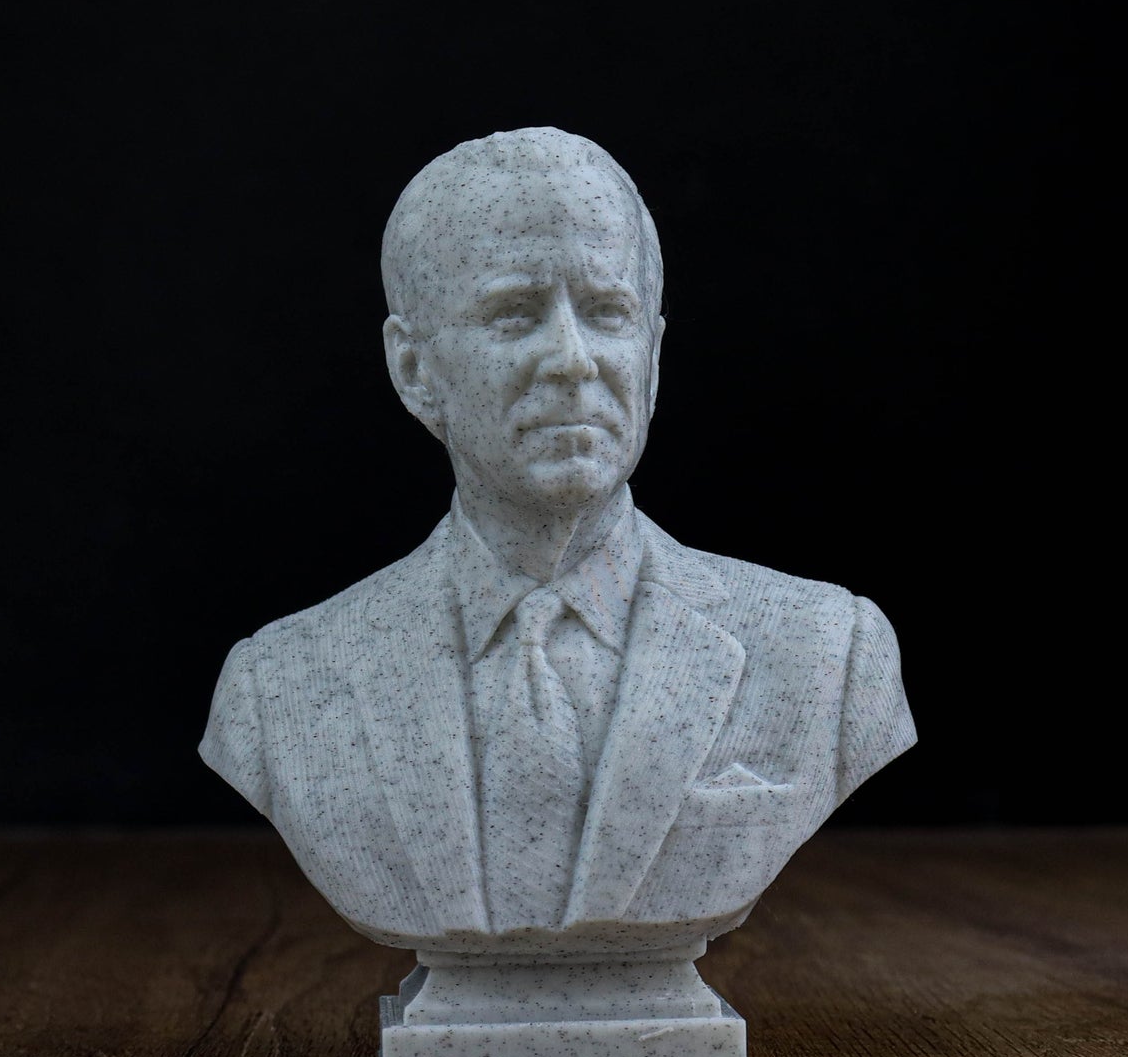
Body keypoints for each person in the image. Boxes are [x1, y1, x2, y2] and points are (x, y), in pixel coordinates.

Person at [201, 127, 914, 957]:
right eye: (515, 314)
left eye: (608, 312)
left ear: (651, 350)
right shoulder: (279, 688)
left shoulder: (829, 655)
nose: (573, 359)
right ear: (415, 370)